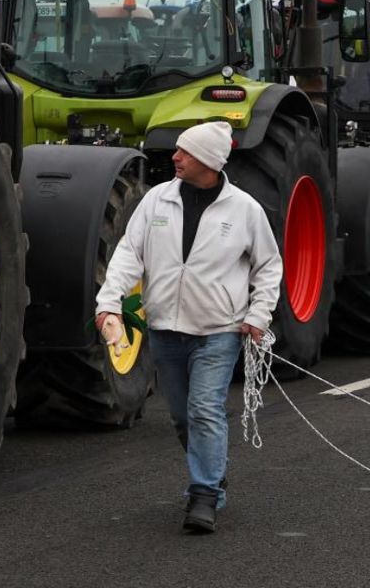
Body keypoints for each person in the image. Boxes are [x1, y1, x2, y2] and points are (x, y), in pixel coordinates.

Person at [95, 121, 282, 534]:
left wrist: (258, 315)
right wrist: (108, 302)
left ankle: (203, 496)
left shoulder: (245, 210)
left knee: (204, 410)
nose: (175, 157)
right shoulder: (156, 201)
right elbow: (129, 253)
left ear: (211, 162)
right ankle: (212, 471)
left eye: (185, 152)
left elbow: (269, 266)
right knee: (181, 417)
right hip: (165, 330)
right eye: (178, 151)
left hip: (219, 331)